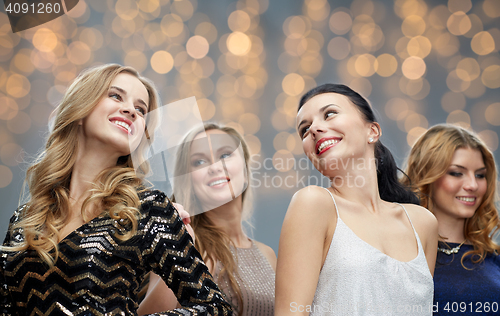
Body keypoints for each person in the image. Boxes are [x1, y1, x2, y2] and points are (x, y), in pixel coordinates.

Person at [0, 64, 233, 315]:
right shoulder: (25, 219)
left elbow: (214, 308)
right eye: (115, 95)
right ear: (80, 109)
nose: (131, 110)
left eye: (141, 109)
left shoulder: (148, 209)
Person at [275, 84, 438, 315]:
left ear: (372, 131)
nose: (314, 129)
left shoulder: (423, 223)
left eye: (329, 114)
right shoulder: (313, 204)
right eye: (304, 129)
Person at [139, 123, 276, 316]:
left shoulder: (268, 254)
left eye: (225, 155)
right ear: (189, 182)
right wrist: (179, 249)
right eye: (199, 162)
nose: (214, 167)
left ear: (245, 171)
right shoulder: (186, 244)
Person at [403, 124, 500, 315]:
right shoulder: (399, 254)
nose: (473, 185)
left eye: (480, 175)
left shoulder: (494, 260)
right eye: (457, 173)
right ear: (426, 175)